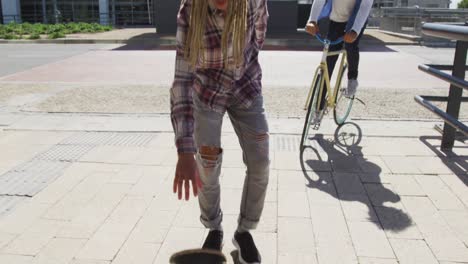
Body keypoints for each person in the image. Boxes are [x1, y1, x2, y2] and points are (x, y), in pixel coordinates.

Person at [170, 0, 269, 263]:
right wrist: (184, 151)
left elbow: (259, 36)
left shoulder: (253, 3)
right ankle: (214, 228)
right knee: (208, 162)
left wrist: (243, 61)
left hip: (245, 88)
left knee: (260, 161)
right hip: (207, 91)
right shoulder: (191, 11)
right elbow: (182, 79)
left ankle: (244, 231)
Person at [305, 0, 373, 97]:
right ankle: (318, 106)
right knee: (329, 59)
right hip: (337, 20)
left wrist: (355, 31)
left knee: (351, 46)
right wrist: (312, 21)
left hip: (356, 19)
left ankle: (352, 80)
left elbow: (365, 6)